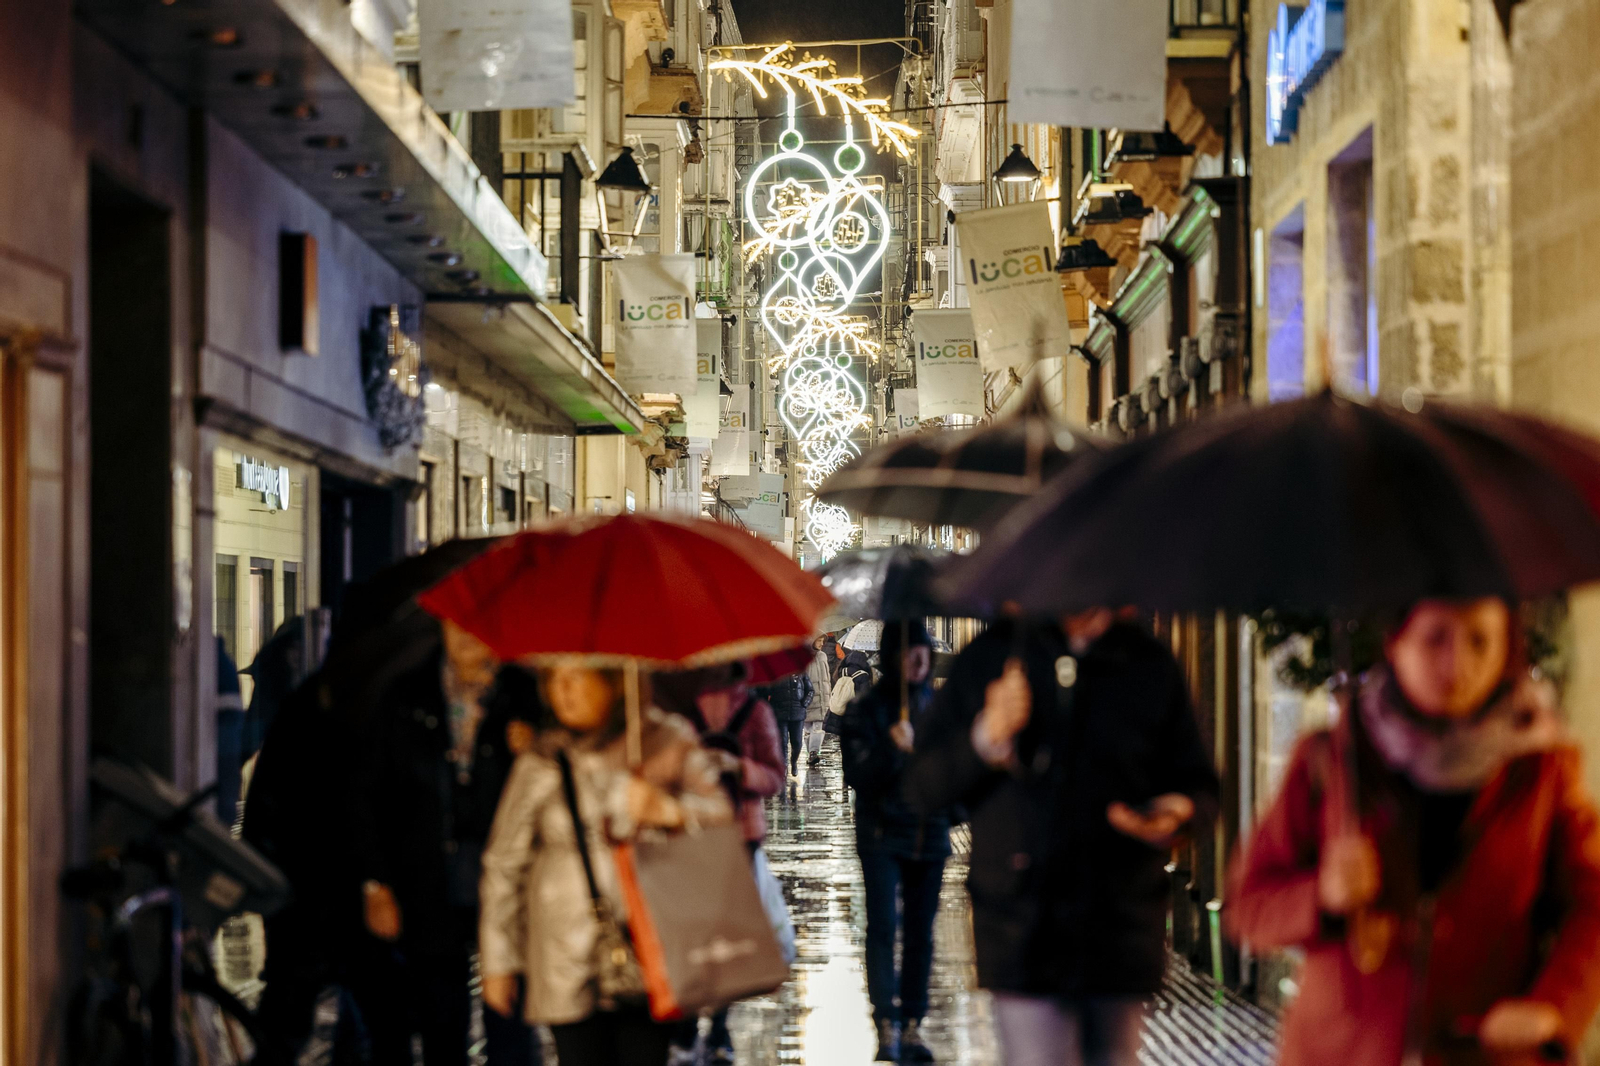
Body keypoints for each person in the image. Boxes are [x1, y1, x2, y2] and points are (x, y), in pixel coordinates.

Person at [1228, 597, 1600, 1066]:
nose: (1458, 663)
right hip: (1340, 1051)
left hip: (1483, 1052)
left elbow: (1590, 902)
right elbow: (1247, 905)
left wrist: (1553, 1007)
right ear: (1395, 641)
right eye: (1435, 638)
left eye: (1480, 640)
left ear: (1508, 644)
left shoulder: (1540, 767)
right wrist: (1319, 895)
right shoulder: (1332, 760)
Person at [904, 610, 1219, 1066]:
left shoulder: (1147, 663)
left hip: (1121, 922)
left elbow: (1200, 784)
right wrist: (983, 737)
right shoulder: (992, 657)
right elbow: (922, 788)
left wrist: (1177, 811)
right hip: (1021, 926)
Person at [479, 664, 735, 1066]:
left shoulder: (666, 739)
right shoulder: (542, 758)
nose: (563, 692)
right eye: (554, 680)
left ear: (612, 681)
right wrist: (498, 962)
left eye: (576, 678)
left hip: (650, 940)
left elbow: (723, 818)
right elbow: (504, 864)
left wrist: (669, 811)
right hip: (564, 950)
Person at [351, 620, 541, 1066]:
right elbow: (368, 793)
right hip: (428, 879)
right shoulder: (406, 694)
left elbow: (561, 774)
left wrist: (537, 748)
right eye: (459, 628)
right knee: (441, 1020)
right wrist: (376, 883)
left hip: (510, 883)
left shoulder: (521, 692)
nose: (470, 638)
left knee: (511, 1020)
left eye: (480, 628)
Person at [841, 621, 955, 1063]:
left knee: (922, 934)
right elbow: (857, 775)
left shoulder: (941, 711)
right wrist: (891, 749)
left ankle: (912, 1022)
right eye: (909, 651)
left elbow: (957, 773)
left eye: (923, 650)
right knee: (884, 927)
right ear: (892, 657)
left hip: (930, 834)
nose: (918, 659)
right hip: (882, 835)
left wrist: (951, 812)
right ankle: (884, 1021)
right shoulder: (865, 709)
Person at [669, 664, 787, 1063]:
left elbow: (775, 777)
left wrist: (739, 767)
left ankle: (717, 1026)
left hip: (739, 837)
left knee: (726, 936)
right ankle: (688, 1025)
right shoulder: (679, 716)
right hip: (689, 834)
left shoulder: (755, 713)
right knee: (691, 931)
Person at [762, 670, 814, 778]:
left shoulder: (801, 673)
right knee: (782, 742)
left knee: (797, 743)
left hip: (798, 714)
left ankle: (793, 761)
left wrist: (804, 704)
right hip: (780, 714)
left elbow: (810, 690)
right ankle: (784, 767)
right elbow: (767, 692)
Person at [804, 636, 835, 766]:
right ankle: (811, 753)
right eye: (819, 641)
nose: (822, 644)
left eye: (823, 641)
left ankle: (813, 752)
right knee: (807, 729)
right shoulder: (804, 656)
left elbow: (826, 677)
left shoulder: (823, 656)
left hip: (822, 699)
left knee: (818, 727)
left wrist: (828, 692)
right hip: (808, 698)